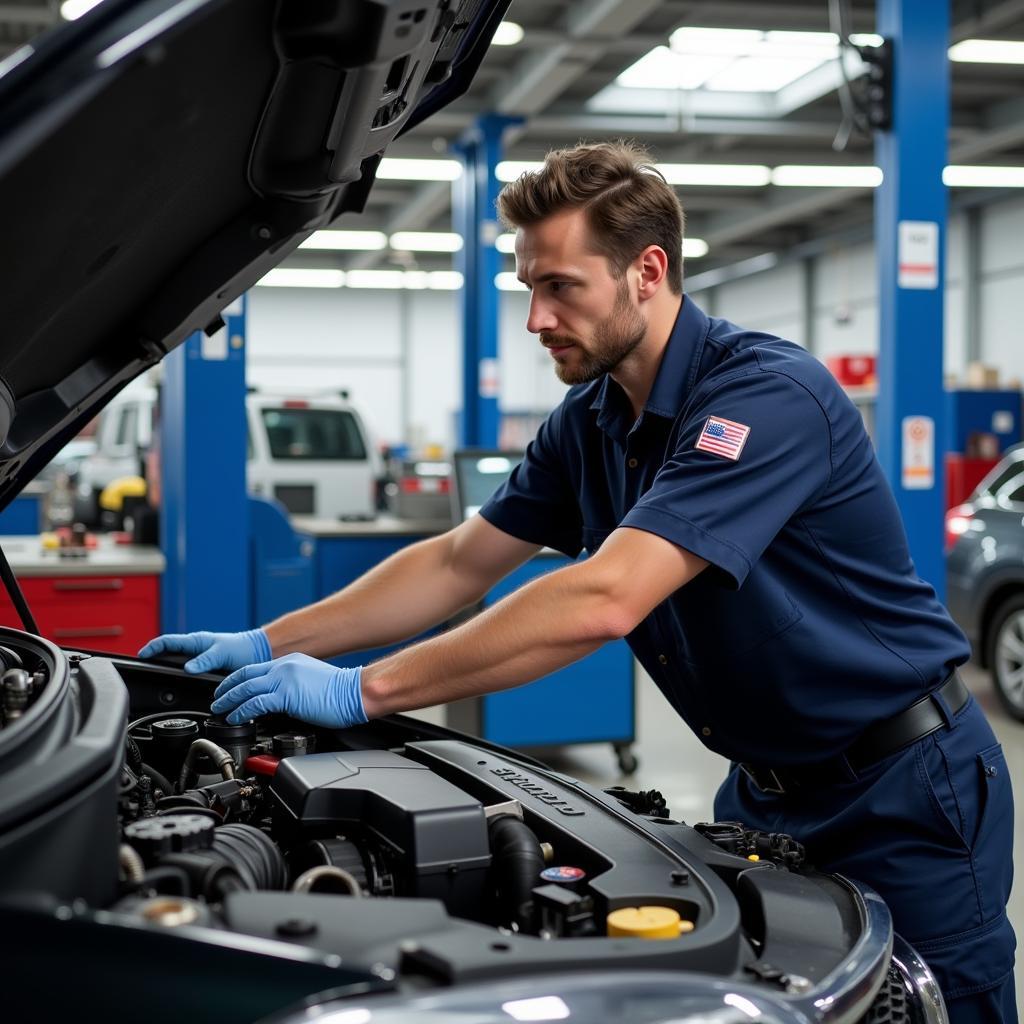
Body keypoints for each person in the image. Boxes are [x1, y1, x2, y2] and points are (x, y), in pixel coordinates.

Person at [141, 141, 1015, 1021]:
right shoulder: (589, 421)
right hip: (764, 790)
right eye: (528, 286)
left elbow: (608, 596)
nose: (535, 318)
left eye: (561, 286)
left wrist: (364, 689)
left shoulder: (766, 396)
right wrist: (270, 641)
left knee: (940, 1008)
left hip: (904, 788)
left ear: (647, 271)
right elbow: (457, 562)